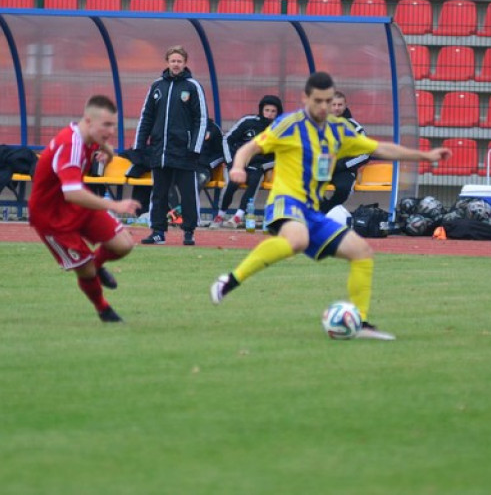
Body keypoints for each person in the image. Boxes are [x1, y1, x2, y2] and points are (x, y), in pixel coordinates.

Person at [209, 71, 451, 341]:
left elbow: (380, 149)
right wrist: (239, 167)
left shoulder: (339, 130)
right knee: (297, 240)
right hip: (286, 202)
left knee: (362, 252)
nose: (324, 107)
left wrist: (425, 155)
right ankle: (230, 280)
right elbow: (249, 148)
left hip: (311, 210)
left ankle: (360, 322)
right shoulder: (288, 125)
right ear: (305, 98)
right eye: (318, 101)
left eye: (328, 101)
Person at [28, 95, 142, 323]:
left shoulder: (87, 134)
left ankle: (97, 265)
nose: (111, 131)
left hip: (75, 206)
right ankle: (104, 310)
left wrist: (108, 153)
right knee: (85, 270)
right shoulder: (71, 144)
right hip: (52, 216)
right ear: (89, 120)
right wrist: (114, 205)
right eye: (107, 125)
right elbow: (72, 192)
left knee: (124, 244)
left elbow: (101, 147)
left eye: (113, 125)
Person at [135, 45, 208, 246]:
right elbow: (146, 117)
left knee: (188, 194)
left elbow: (201, 119)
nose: (176, 64)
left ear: (185, 63)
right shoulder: (157, 86)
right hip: (160, 150)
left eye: (179, 61)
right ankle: (158, 231)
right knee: (159, 193)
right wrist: (140, 144)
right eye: (173, 61)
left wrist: (195, 148)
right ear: (167, 62)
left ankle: (189, 231)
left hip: (184, 151)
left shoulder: (193, 87)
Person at [212, 95, 284, 228]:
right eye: (267, 110)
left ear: (278, 113)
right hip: (238, 163)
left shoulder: (279, 130)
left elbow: (280, 155)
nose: (269, 114)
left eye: (273, 111)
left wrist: (264, 166)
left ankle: (238, 217)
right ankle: (220, 215)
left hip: (258, 166)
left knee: (254, 182)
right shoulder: (248, 121)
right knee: (232, 184)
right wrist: (231, 162)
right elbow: (227, 139)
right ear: (261, 110)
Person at [319, 91, 370, 214]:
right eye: (334, 105)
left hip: (344, 170)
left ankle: (326, 211)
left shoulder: (355, 128)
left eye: (339, 105)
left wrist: (343, 165)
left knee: (343, 189)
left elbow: (366, 154)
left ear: (345, 105)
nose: (336, 108)